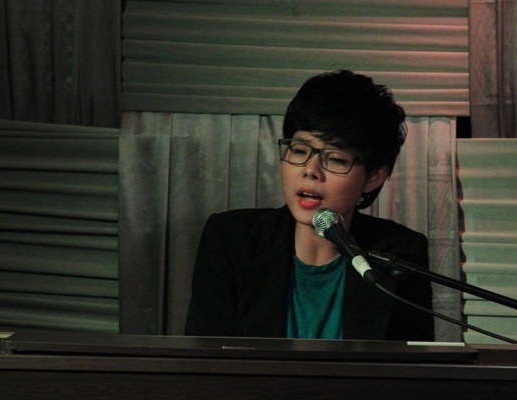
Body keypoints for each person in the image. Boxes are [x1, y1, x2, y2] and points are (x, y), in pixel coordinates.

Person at [184, 70, 435, 341]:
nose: (310, 170)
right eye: (299, 151)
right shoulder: (231, 241)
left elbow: (411, 364)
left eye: (335, 159)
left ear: (374, 176)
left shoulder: (401, 253)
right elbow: (207, 358)